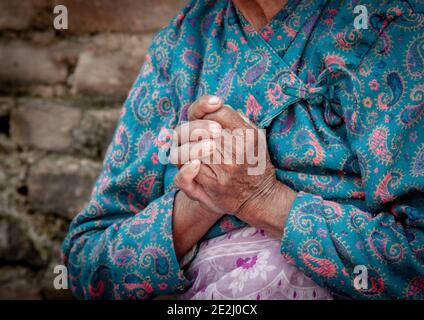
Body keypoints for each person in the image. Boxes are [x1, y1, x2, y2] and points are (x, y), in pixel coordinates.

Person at [62, 0, 424, 299]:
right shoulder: (184, 43)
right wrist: (201, 200)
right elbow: (86, 267)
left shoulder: (391, 29)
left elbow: (415, 262)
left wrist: (261, 199)